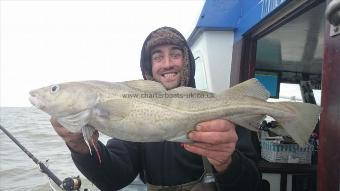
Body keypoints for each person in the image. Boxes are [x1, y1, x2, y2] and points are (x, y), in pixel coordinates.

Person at [51, 26, 261, 191]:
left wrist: (227, 162)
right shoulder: (131, 115)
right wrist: (80, 147)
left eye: (176, 54)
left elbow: (253, 185)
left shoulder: (222, 110)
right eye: (158, 57)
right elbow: (113, 179)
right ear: (149, 67)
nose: (167, 63)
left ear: (187, 60)